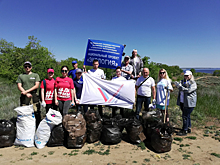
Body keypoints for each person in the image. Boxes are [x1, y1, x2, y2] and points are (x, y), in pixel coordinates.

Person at [16, 61, 41, 126]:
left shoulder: (35, 75)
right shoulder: (21, 76)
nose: (27, 68)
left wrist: (26, 91)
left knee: (36, 110)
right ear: (24, 67)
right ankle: (26, 125)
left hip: (33, 94)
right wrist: (26, 93)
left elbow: (36, 85)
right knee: (24, 110)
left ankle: (37, 125)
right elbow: (19, 86)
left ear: (31, 67)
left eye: (29, 66)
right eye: (26, 66)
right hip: (24, 95)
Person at [175, 70, 197, 136]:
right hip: (182, 102)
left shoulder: (193, 83)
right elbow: (179, 87)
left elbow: (189, 90)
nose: (186, 76)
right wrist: (178, 85)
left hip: (189, 103)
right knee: (187, 116)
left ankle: (184, 130)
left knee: (185, 116)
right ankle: (188, 127)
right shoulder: (182, 82)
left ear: (190, 76)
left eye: (187, 75)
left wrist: (180, 87)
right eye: (185, 75)